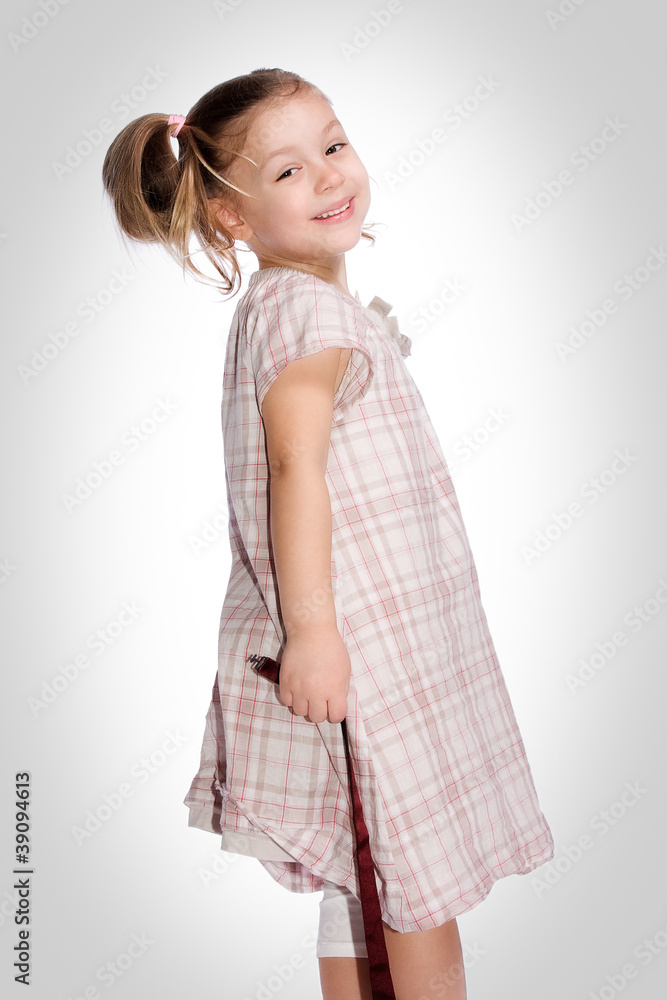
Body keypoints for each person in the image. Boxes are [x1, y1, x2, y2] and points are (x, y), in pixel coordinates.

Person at [102, 66, 555, 1000]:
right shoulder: (303, 311)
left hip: (378, 638)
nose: (328, 175)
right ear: (231, 217)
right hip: (362, 645)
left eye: (334, 145)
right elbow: (293, 469)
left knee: (369, 869)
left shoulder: (295, 305)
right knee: (416, 881)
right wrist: (313, 632)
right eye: (287, 171)